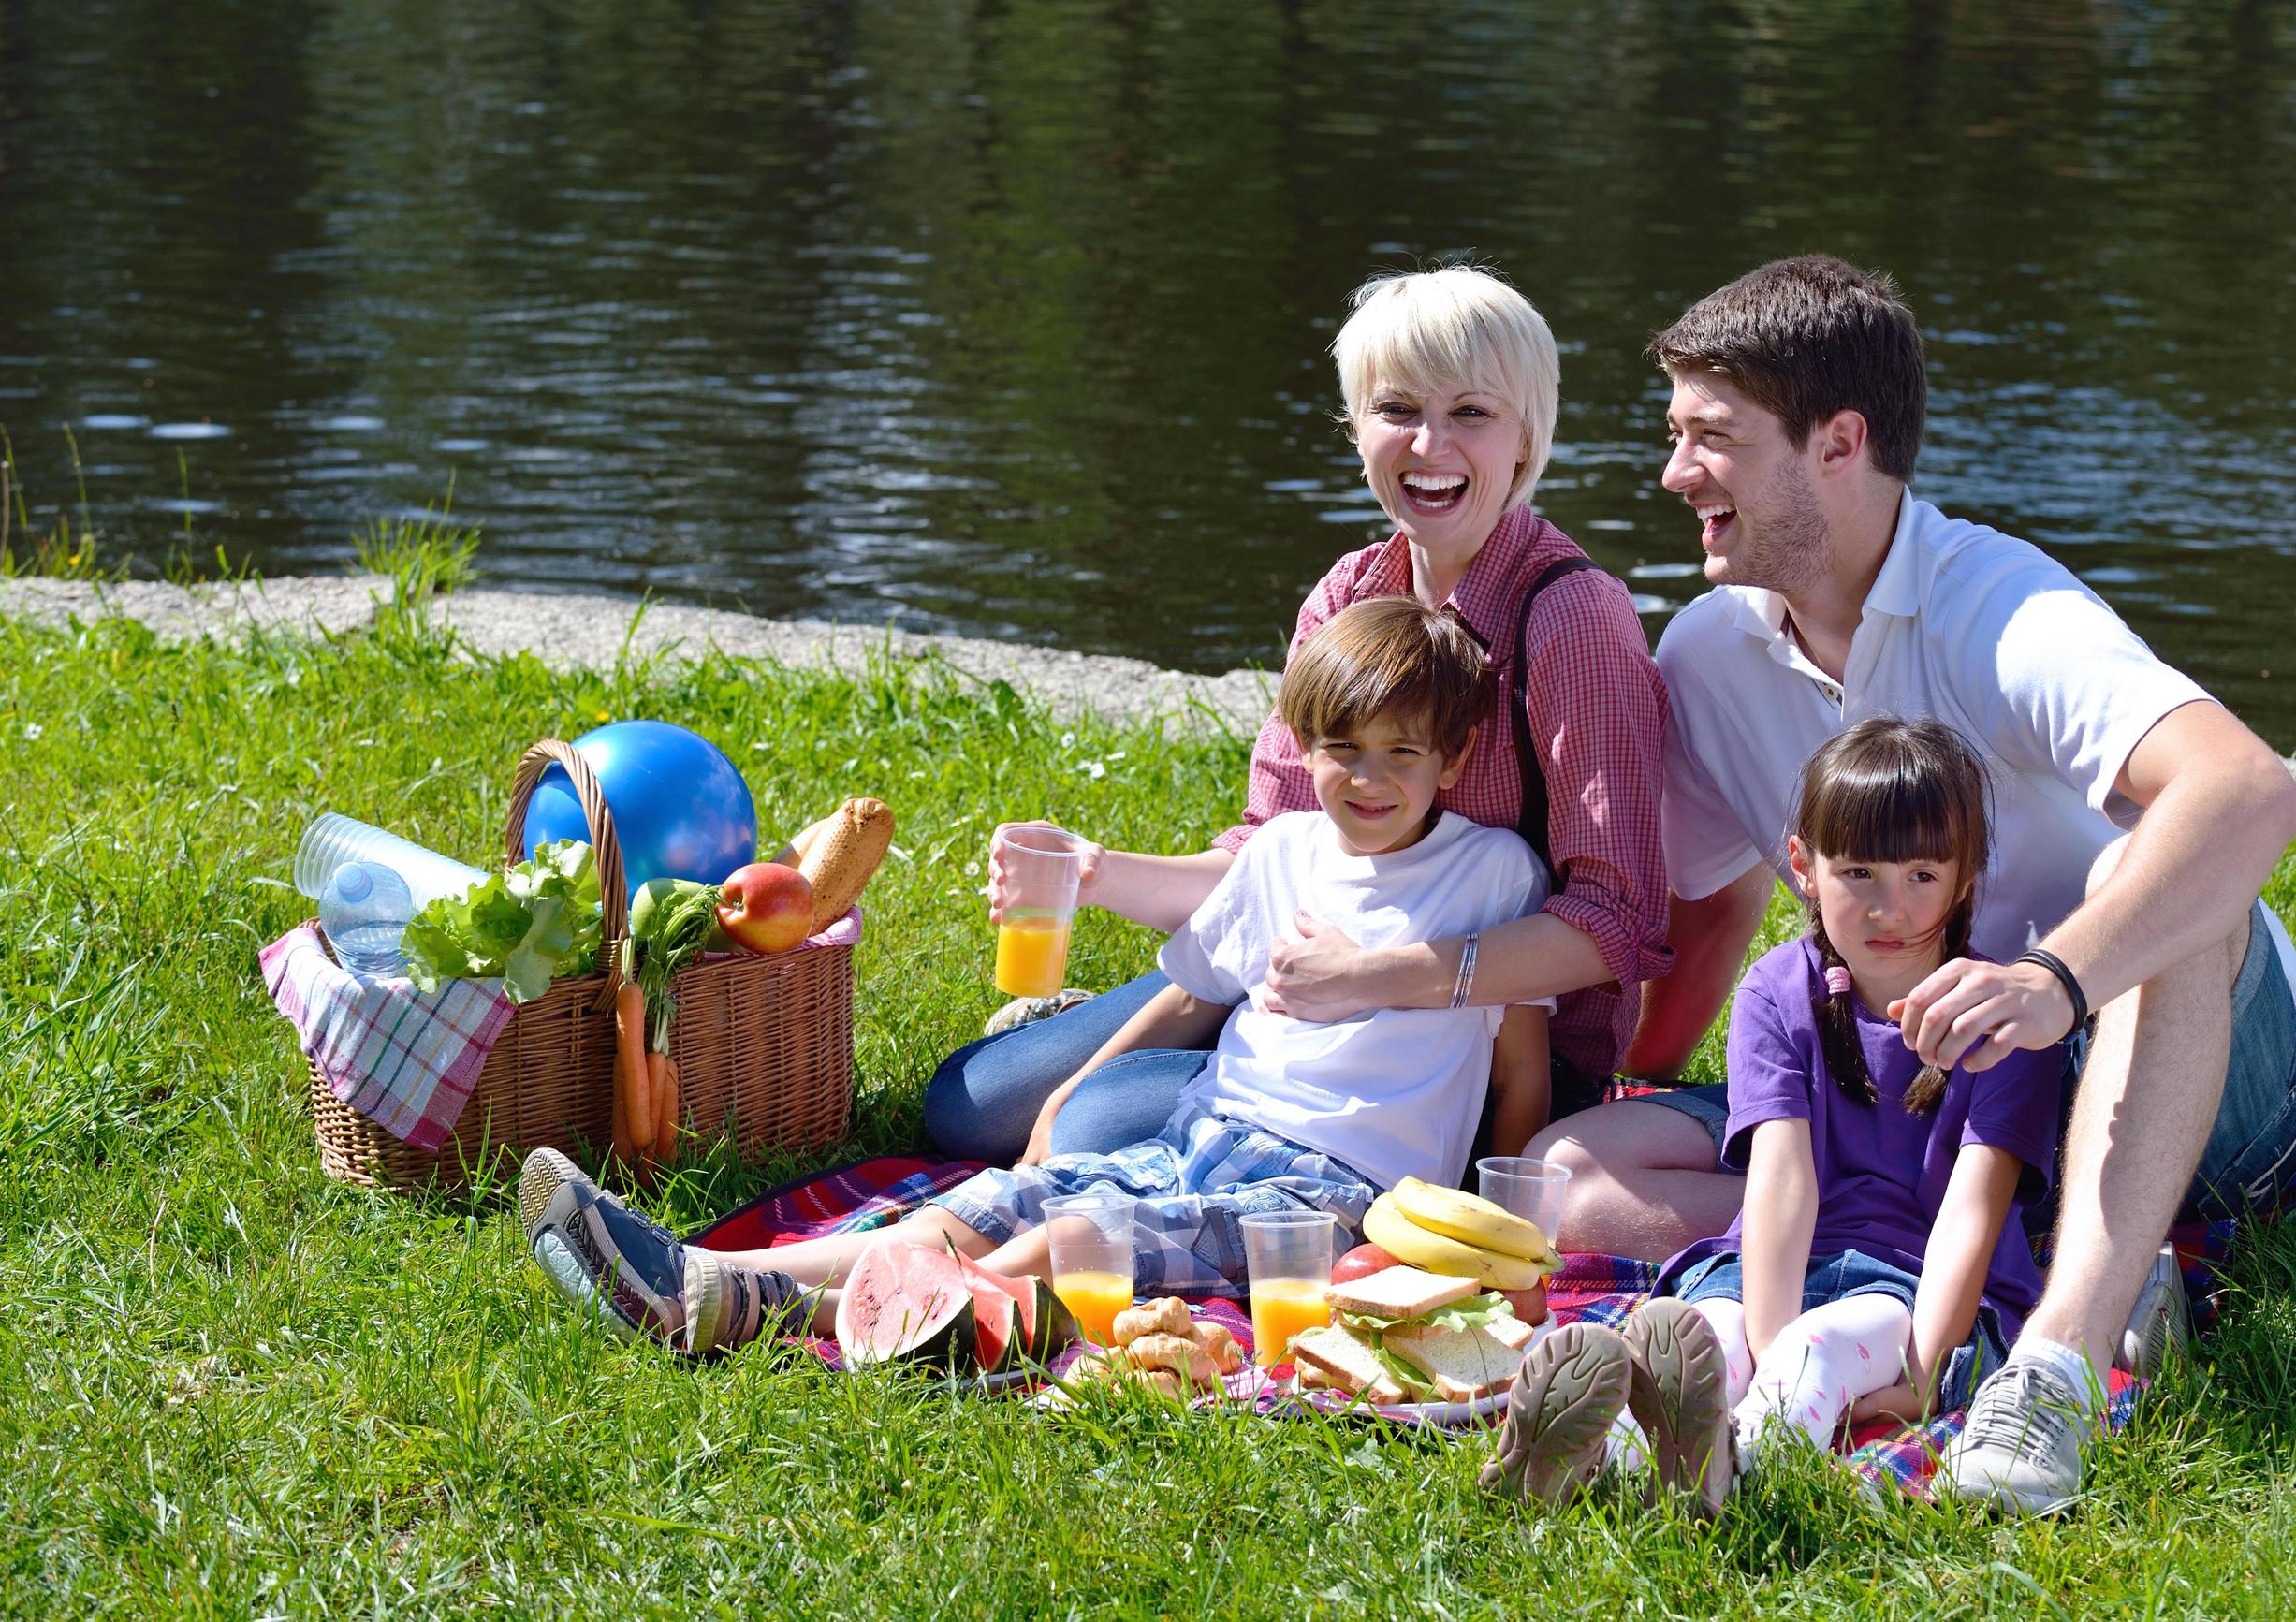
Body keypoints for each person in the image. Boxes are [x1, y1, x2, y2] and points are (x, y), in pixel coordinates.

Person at [1528, 256, 2296, 1516]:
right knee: (1570, 1170)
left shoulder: (1999, 610)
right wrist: (1625, 1081)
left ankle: (2053, 1372)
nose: (1675, 474)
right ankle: (1835, 1285)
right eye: (1673, 436)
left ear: (1838, 442)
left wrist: (2052, 982)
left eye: (1710, 440)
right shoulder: (1710, 649)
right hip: (1907, 1109)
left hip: (2197, 1078)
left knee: (2156, 860)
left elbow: (2250, 792)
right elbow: (1714, 909)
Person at [517, 596, 1554, 1352]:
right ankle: (710, 1275)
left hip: (1326, 1190)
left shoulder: (1491, 874)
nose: (1366, 779)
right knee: (987, 1204)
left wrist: (1496, 1243)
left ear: (1452, 759)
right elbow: (1191, 995)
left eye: (1399, 755)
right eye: (1340, 748)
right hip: (1202, 1132)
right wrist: (1068, 1085)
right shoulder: (1283, 851)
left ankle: (782, 1313)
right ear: (1304, 743)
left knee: (1067, 1239)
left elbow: (1518, 1069)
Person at [924, 265, 1669, 1168]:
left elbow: (1614, 923)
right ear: (1358, 428)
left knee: (1092, 1125)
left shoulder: (1572, 620)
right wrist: (1096, 874)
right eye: (1397, 409)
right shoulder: (1349, 594)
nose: (1430, 445)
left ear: (1525, 438)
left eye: (1471, 412)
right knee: (967, 1111)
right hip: (1291, 992)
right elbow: (1267, 852)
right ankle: (1101, 1025)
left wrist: (1375, 974)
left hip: (1475, 1052)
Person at [1484, 719, 2062, 1514]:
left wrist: (1924, 1377)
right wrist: (1757, 1338)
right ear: (1804, 867)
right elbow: (1781, 1183)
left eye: (1922, 874)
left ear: (1966, 879)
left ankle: (1743, 1471)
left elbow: (1974, 1207)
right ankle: (1599, 1458)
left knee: (1812, 1351)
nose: (1888, 907)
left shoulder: (2000, 1020)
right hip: (1770, 1261)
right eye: (1858, 870)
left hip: (1910, 1285)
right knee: (1700, 1339)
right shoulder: (1777, 990)